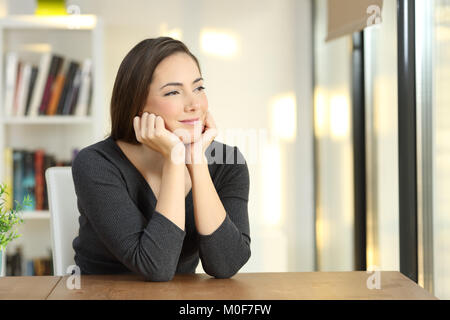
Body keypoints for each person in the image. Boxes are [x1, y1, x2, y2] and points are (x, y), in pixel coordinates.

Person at [71, 37, 251, 281]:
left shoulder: (228, 162)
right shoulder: (95, 163)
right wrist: (175, 160)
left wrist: (196, 162)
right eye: (173, 92)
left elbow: (226, 264)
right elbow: (155, 266)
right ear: (137, 104)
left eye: (198, 87)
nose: (194, 104)